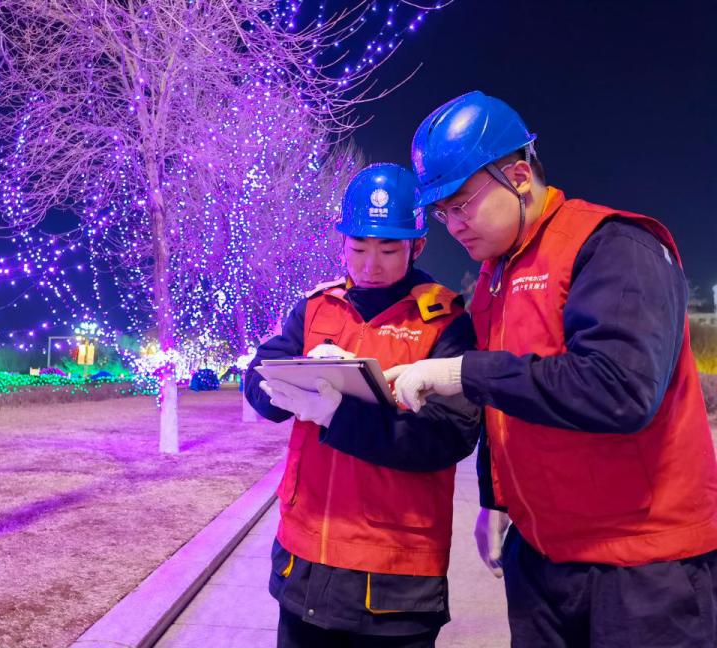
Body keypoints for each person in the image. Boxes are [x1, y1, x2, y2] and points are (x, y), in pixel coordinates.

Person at [387, 90, 717, 647]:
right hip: (543, 559)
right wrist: (494, 499)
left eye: (461, 204)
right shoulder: (496, 277)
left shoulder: (614, 246)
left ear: (519, 176)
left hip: (642, 567)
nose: (453, 225)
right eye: (441, 214)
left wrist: (463, 372)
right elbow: (505, 402)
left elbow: (619, 390)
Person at [244, 163, 481, 647]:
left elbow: (450, 435)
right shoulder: (316, 308)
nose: (371, 265)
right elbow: (260, 374)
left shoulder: (444, 323)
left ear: (417, 246)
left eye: (388, 250)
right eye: (358, 248)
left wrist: (339, 415)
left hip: (395, 573)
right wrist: (283, 389)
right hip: (304, 557)